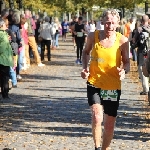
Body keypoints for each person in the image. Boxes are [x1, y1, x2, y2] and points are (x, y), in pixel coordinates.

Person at [81, 9, 130, 150]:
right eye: (107, 23)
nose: (110, 26)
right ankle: (97, 147)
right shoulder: (93, 36)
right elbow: (85, 52)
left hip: (112, 86)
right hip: (94, 82)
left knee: (109, 123)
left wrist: (123, 71)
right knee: (97, 116)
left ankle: (104, 148)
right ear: (102, 22)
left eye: (113, 23)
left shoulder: (122, 41)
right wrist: (85, 68)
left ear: (118, 23)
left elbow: (127, 62)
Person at [133, 15, 150, 95]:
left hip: (142, 52)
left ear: (141, 21)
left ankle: (146, 89)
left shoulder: (139, 29)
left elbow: (134, 41)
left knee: (142, 69)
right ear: (148, 20)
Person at [0, 18, 13, 99]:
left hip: (4, 59)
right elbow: (2, 48)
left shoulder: (3, 34)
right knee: (5, 77)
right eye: (5, 24)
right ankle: (5, 94)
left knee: (3, 77)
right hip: (4, 59)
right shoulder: (3, 35)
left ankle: (4, 93)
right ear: (1, 26)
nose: (6, 26)